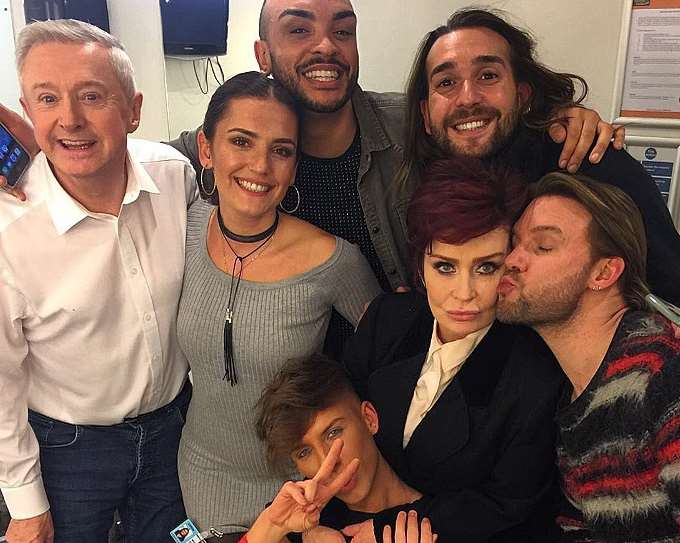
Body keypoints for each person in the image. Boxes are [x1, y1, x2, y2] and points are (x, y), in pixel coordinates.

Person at [168, 0, 625, 356]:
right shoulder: (233, 145)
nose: (326, 45)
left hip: (408, 373)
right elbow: (145, 161)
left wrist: (559, 118)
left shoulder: (409, 124)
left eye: (343, 31)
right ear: (263, 54)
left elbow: (487, 126)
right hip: (298, 383)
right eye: (299, 29)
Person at [0, 19, 196, 543]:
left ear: (133, 110)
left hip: (174, 433)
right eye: (46, 99)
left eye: (91, 95)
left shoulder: (176, 178)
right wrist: (24, 504)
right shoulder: (8, 232)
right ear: (26, 110)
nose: (69, 118)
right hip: (67, 451)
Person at [401, 7, 680, 310]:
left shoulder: (587, 162)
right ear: (426, 115)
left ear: (522, 96)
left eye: (487, 76)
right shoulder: (421, 184)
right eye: (446, 82)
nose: (468, 97)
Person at [176, 71, 379, 540]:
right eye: (241, 142)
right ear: (207, 150)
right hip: (199, 476)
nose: (261, 166)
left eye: (281, 150)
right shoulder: (183, 226)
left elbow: (391, 358)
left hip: (302, 496)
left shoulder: (333, 260)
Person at [496, 173, 680, 542]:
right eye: (514, 244)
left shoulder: (676, 373)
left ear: (604, 272)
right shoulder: (574, 392)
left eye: (543, 246)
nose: (512, 260)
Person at [343, 158, 565, 542]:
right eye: (445, 267)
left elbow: (507, 504)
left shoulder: (535, 376)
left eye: (486, 268)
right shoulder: (386, 320)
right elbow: (339, 417)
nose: (465, 294)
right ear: (420, 265)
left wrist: (388, 528)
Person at [247, 353, 433, 542]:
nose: (327, 461)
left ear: (369, 418)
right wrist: (273, 527)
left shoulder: (444, 518)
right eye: (304, 452)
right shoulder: (303, 524)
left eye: (333, 432)